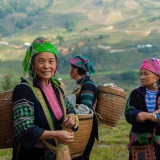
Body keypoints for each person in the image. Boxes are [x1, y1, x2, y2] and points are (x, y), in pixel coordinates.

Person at [12, 36, 79, 160]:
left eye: (51, 61)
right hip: (32, 155)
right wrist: (55, 135)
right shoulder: (24, 89)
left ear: (56, 64)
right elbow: (23, 128)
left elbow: (69, 108)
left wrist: (72, 116)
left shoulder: (56, 88)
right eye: (41, 61)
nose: (46, 66)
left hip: (56, 155)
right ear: (32, 63)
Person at [125, 58, 160, 160]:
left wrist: (149, 116)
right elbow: (128, 112)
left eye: (146, 74)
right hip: (139, 145)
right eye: (141, 74)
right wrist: (138, 115)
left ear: (157, 76)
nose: (142, 77)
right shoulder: (136, 94)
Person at [69, 54, 99, 160]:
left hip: (85, 130)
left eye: (70, 68)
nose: (70, 70)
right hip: (81, 128)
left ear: (75, 70)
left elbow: (85, 109)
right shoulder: (81, 83)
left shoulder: (87, 85)